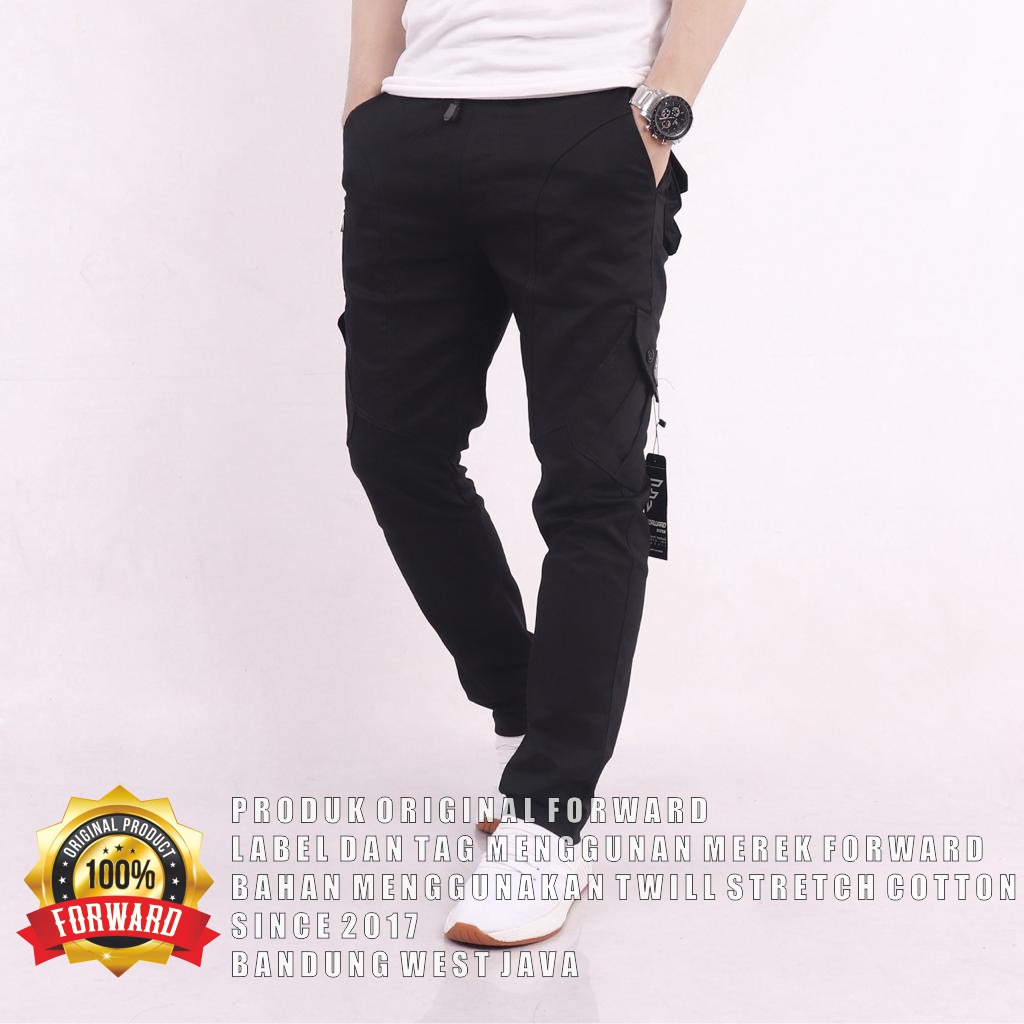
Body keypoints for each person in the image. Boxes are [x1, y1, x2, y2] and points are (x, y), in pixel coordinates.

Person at [339, 0, 746, 946]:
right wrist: (365, 110)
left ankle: (548, 816)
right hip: (412, 131)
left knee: (593, 484)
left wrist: (661, 113)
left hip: (590, 124)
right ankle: (527, 699)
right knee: (394, 450)